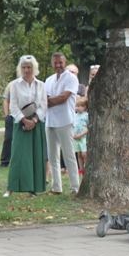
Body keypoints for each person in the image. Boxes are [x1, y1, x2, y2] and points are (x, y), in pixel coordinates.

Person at [4, 55, 47, 197]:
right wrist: (24, 120)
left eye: (29, 67)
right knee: (17, 155)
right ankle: (11, 187)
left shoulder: (40, 85)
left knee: (35, 156)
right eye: (24, 67)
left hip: (36, 124)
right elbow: (13, 105)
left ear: (34, 68)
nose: (26, 70)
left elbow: (43, 105)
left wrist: (34, 120)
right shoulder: (15, 85)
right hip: (20, 123)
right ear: (20, 68)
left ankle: (33, 189)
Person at [43, 52, 80, 194]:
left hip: (65, 121)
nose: (58, 65)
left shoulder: (71, 78)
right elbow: (44, 98)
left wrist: (48, 101)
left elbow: (63, 98)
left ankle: (75, 187)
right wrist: (49, 100)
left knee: (69, 155)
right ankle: (56, 187)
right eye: (55, 62)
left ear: (65, 62)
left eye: (60, 62)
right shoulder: (49, 80)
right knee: (53, 156)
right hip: (50, 121)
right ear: (52, 63)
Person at [0, 77, 14, 167]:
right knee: (8, 138)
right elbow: (6, 100)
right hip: (11, 116)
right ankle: (4, 162)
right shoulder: (11, 85)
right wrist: (6, 115)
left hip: (25, 116)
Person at [72, 95, 89, 176]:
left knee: (84, 154)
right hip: (76, 138)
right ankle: (81, 169)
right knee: (78, 154)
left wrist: (81, 135)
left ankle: (86, 166)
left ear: (85, 107)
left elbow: (88, 128)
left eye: (81, 106)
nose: (78, 108)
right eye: (77, 106)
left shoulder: (86, 115)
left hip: (83, 137)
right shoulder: (75, 115)